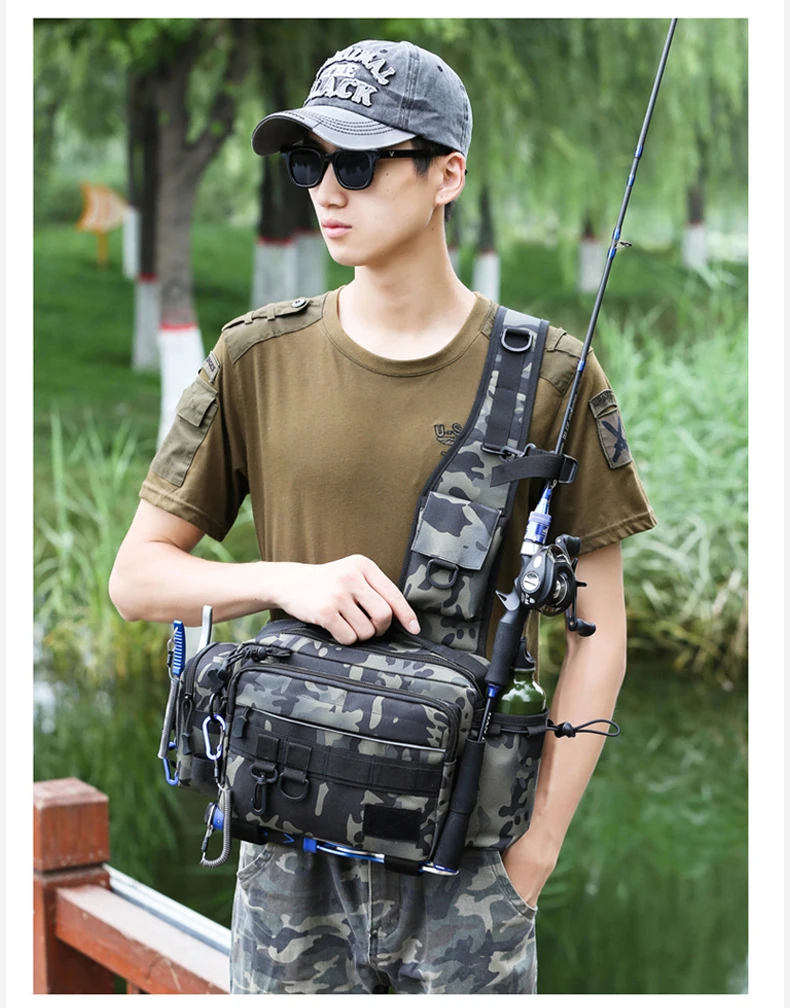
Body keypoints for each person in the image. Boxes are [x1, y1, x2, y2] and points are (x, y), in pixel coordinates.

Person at [110, 38, 656, 995]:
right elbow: (138, 578)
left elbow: (600, 635)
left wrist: (533, 857)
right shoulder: (255, 358)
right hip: (288, 858)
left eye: (358, 163)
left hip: (469, 872)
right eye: (308, 163)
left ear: (447, 174)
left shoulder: (553, 377)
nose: (328, 190)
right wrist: (287, 581)